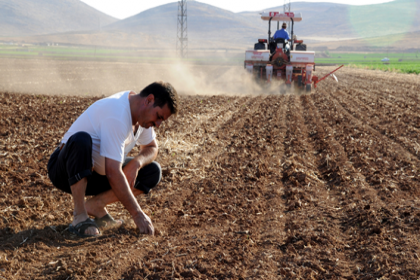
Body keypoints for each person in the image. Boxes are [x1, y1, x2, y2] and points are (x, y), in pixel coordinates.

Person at [47, 81, 179, 237]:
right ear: (149, 100)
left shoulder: (142, 119)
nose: (157, 124)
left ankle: (96, 204)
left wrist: (136, 163)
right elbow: (113, 172)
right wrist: (137, 214)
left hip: (97, 173)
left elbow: (152, 147)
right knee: (81, 140)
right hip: (66, 170)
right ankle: (80, 216)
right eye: (158, 117)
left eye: (161, 121)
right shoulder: (117, 113)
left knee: (152, 171)